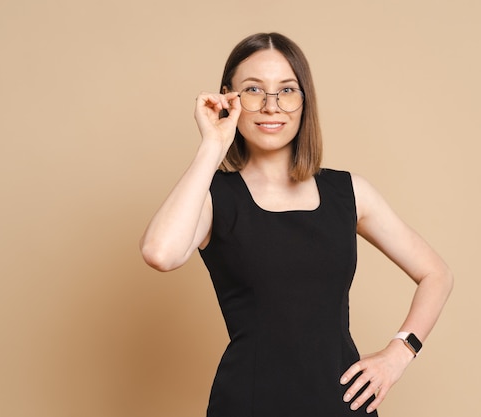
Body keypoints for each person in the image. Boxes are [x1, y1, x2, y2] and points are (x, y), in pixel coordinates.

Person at [139, 32, 453, 416]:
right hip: (247, 404)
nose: (272, 107)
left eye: (287, 90)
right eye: (253, 90)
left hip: (342, 406)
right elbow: (160, 253)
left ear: (304, 101)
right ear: (229, 100)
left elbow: (436, 274)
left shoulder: (348, 192)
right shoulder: (213, 197)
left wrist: (399, 353)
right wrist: (212, 146)